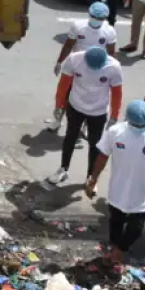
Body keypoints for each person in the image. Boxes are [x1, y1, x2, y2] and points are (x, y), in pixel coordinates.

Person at [86, 101, 145, 265]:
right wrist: (93, 179)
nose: (138, 126)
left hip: (141, 194)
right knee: (115, 225)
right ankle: (114, 251)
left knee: (135, 229)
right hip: (117, 192)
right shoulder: (115, 132)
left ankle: (119, 251)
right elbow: (102, 157)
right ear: (128, 119)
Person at [46, 46, 124, 189]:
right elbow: (64, 84)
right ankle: (63, 169)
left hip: (98, 111)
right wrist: (59, 105)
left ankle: (91, 177)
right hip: (76, 106)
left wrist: (114, 116)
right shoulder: (74, 59)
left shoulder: (113, 66)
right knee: (70, 137)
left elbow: (117, 93)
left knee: (95, 144)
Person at [53, 1, 117, 81]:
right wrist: (59, 62)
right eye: (94, 16)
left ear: (105, 18)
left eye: (99, 18)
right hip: (78, 66)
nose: (96, 19)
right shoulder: (78, 26)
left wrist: (112, 70)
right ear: (89, 14)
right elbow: (68, 46)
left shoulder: (109, 31)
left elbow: (111, 53)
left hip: (98, 68)